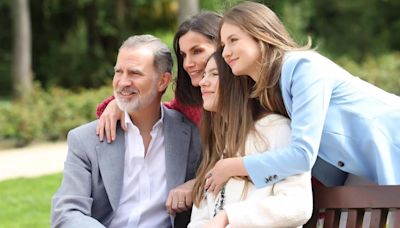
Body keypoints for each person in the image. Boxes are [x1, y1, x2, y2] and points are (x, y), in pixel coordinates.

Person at [204, 1, 400, 195]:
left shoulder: (302, 68)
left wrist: (233, 166)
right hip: (363, 171)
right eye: (223, 45)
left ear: (261, 34)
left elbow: (302, 155)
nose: (226, 52)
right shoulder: (270, 88)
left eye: (233, 40)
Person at [51, 35, 202, 228]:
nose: (122, 82)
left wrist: (195, 185)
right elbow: (67, 213)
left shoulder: (191, 135)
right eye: (118, 72)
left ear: (163, 81)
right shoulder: (85, 140)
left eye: (134, 73)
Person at [94, 12, 222, 215]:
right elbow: (159, 111)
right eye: (183, 55)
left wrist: (197, 183)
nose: (188, 63)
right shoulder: (192, 103)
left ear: (223, 47)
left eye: (197, 51)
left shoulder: (252, 99)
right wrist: (118, 104)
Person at [188, 51, 312, 227]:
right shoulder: (218, 142)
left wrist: (228, 216)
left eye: (214, 74)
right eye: (204, 75)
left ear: (237, 82)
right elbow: (201, 218)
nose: (202, 82)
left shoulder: (276, 129)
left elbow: (297, 205)